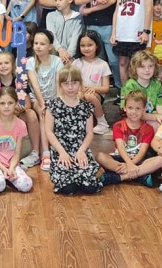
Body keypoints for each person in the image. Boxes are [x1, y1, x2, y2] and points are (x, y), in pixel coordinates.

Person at [45, 66, 103, 195]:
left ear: (80, 84)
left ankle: (81, 178)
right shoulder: (52, 105)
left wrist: (82, 151)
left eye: (74, 83)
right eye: (66, 83)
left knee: (90, 189)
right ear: (60, 85)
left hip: (80, 150)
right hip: (61, 150)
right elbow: (49, 131)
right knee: (68, 189)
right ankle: (71, 179)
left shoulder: (86, 106)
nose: (70, 87)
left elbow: (89, 133)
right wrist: (61, 152)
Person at [97, 91, 162, 187]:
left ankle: (121, 177)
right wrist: (129, 164)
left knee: (161, 160)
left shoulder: (148, 129)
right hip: (121, 158)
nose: (134, 112)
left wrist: (132, 164)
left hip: (138, 160)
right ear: (124, 108)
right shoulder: (118, 125)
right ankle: (140, 176)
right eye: (130, 108)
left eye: (138, 108)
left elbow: (142, 151)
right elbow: (120, 147)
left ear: (144, 109)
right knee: (100, 156)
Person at [77, 0, 120, 86]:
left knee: (113, 60)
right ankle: (98, 88)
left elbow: (112, 0)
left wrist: (90, 10)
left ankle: (119, 86)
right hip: (91, 26)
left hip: (108, 24)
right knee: (97, 59)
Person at [0, 51, 41, 168]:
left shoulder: (20, 81)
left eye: (6, 63)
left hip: (18, 115)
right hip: (3, 115)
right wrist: (9, 110)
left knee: (31, 114)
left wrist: (20, 108)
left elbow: (27, 104)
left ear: (13, 65)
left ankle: (35, 153)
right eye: (0, 64)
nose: (3, 66)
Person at [111, 0, 153, 88]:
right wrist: (113, 33)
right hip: (122, 32)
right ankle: (126, 93)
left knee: (138, 65)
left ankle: (138, 94)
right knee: (123, 63)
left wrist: (146, 31)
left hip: (137, 32)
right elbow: (117, 11)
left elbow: (149, 8)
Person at [0, 87, 33, 193]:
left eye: (10, 103)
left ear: (16, 103)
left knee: (26, 185)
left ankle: (8, 177)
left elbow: (17, 153)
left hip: (11, 163)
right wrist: (2, 168)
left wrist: (12, 168)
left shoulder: (21, 125)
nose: (6, 106)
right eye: (2, 103)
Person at [26, 30, 63, 171]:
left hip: (54, 98)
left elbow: (59, 83)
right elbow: (35, 85)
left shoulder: (57, 61)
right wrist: (42, 104)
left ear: (50, 46)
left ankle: (60, 150)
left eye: (42, 44)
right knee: (44, 114)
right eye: (36, 43)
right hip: (37, 99)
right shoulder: (30, 62)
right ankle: (46, 153)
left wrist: (57, 103)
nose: (38, 46)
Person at [71, 31, 112, 135]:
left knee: (89, 96)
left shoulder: (103, 64)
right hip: (78, 92)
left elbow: (106, 88)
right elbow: (72, 81)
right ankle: (76, 123)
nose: (86, 48)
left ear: (96, 45)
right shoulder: (76, 63)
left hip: (96, 95)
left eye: (90, 45)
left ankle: (102, 123)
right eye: (83, 45)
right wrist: (80, 89)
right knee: (78, 96)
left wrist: (93, 88)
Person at [121, 50, 162, 128]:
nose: (147, 70)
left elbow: (159, 107)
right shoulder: (130, 85)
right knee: (154, 124)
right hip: (134, 117)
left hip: (152, 116)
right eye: (142, 66)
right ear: (134, 68)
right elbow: (133, 112)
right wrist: (156, 117)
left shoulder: (157, 84)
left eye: (150, 66)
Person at [45, 0, 83, 65]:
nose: (57, 2)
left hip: (71, 58)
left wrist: (68, 55)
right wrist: (60, 50)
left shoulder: (77, 18)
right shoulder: (51, 16)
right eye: (55, 0)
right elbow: (52, 35)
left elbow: (75, 38)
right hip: (53, 55)